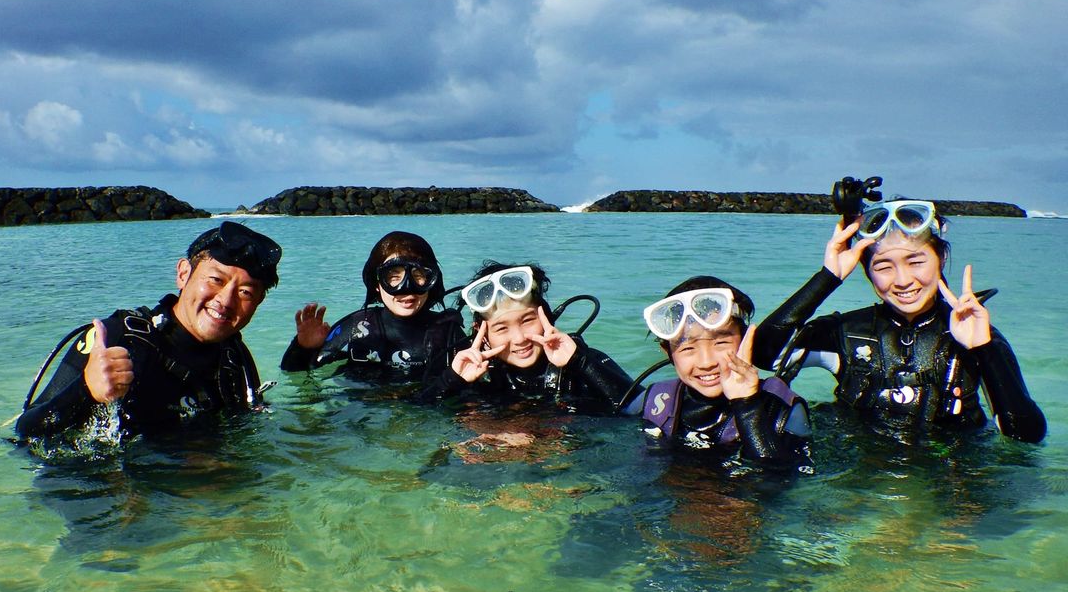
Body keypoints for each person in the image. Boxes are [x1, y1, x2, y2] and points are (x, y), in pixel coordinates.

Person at [751, 197, 1046, 443]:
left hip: (950, 482)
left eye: (916, 261)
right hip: (862, 479)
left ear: (940, 259)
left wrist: (985, 349)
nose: (903, 280)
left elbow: (1026, 436)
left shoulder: (976, 334)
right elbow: (763, 353)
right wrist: (828, 278)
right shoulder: (846, 333)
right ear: (867, 272)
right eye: (884, 266)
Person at [16, 220, 281, 441]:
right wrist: (87, 391)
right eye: (215, 279)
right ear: (183, 273)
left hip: (193, 492)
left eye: (245, 292)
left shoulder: (233, 357)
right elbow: (26, 433)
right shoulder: (119, 338)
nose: (226, 300)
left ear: (258, 302)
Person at [635, 277, 811, 463]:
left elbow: (778, 481)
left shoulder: (782, 410)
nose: (706, 362)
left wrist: (747, 405)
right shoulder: (656, 402)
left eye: (721, 343)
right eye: (688, 348)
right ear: (668, 353)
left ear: (745, 342)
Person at [423, 262, 634, 411]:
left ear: (546, 316)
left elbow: (642, 408)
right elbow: (418, 415)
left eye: (527, 321)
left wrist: (582, 362)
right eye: (501, 328)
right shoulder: (477, 376)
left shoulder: (581, 361)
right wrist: (451, 380)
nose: (519, 339)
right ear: (482, 333)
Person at [279, 231, 465, 383]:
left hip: (425, 412)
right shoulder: (357, 327)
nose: (407, 288)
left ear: (432, 281)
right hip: (364, 412)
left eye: (418, 275)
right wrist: (304, 347)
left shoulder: (449, 333)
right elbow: (294, 372)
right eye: (393, 277)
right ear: (376, 284)